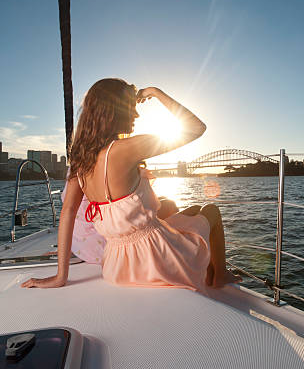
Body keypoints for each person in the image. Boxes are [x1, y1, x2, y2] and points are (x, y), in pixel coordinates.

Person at [21, 78, 240, 291]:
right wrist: (155, 92)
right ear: (113, 111)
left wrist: (61, 276)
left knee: (191, 212)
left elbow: (67, 213)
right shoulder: (126, 148)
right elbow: (196, 128)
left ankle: (210, 269)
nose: (136, 114)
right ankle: (219, 275)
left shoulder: (80, 160)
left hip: (117, 266)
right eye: (130, 107)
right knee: (210, 210)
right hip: (155, 262)